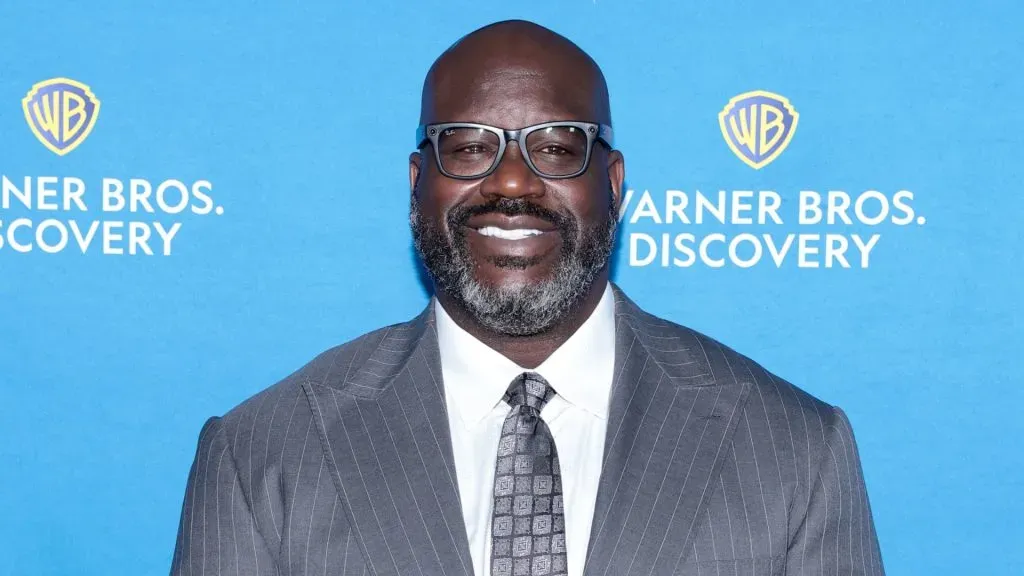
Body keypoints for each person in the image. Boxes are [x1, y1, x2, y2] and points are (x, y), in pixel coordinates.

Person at [171, 19, 885, 576]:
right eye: (470, 146)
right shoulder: (264, 454)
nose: (511, 183)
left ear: (612, 184)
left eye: (556, 146)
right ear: (417, 180)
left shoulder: (792, 449)